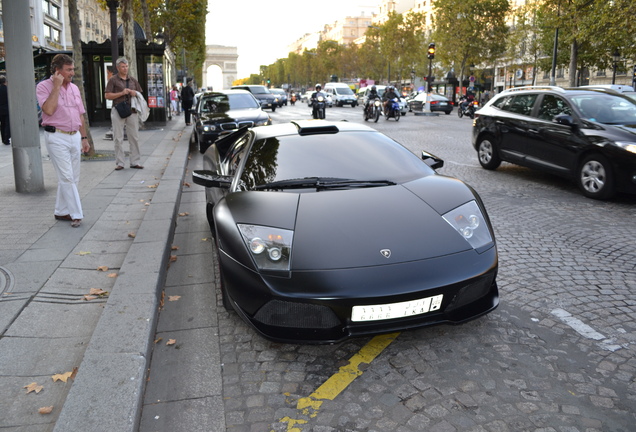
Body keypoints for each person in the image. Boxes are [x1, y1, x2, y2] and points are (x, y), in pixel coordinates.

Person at [36, 54, 90, 228]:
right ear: (57, 71)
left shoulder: (74, 88)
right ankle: (76, 214)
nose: (72, 73)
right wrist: (57, 87)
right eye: (68, 70)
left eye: (72, 69)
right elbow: (49, 110)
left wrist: (84, 137)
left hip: (74, 135)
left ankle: (60, 211)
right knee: (67, 177)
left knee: (72, 177)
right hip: (56, 136)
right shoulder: (43, 87)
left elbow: (80, 114)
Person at [105, 57, 144, 171]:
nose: (125, 68)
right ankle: (120, 162)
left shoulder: (133, 80)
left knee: (134, 137)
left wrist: (134, 93)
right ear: (118, 68)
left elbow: (139, 94)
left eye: (126, 66)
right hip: (118, 109)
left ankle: (135, 161)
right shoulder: (113, 80)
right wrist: (121, 93)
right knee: (118, 137)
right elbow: (107, 95)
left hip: (132, 110)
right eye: (123, 66)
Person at [0, 75, 10, 145]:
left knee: (2, 124)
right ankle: (6, 139)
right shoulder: (7, 90)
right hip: (7, 108)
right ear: (5, 82)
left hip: (0, 109)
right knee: (7, 124)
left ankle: (3, 138)